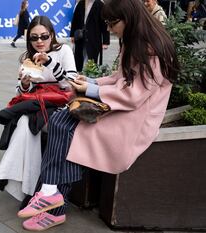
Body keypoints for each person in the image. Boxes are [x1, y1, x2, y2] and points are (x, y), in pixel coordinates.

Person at [17, 0, 179, 230]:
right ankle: (50, 193)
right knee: (60, 120)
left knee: (67, 129)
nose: (110, 29)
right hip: (121, 106)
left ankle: (52, 200)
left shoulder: (151, 49)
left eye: (113, 23)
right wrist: (90, 81)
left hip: (134, 117)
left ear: (129, 18)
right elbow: (119, 77)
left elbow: (134, 95)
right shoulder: (137, 42)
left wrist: (91, 89)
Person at [0, 15, 77, 202]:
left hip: (58, 104)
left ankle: (3, 178)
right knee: (26, 122)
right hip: (36, 104)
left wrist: (48, 62)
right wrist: (24, 83)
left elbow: (70, 84)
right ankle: (26, 192)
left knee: (27, 121)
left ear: (52, 35)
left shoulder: (63, 50)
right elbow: (20, 91)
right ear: (28, 38)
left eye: (44, 36)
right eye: (34, 37)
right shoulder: (27, 58)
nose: (39, 41)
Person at [70, 0, 110, 72]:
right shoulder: (81, 3)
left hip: (94, 36)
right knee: (79, 56)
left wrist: (105, 41)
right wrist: (72, 35)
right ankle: (78, 73)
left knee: (92, 56)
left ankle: (89, 74)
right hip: (80, 36)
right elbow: (75, 20)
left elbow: (104, 24)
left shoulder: (100, 4)